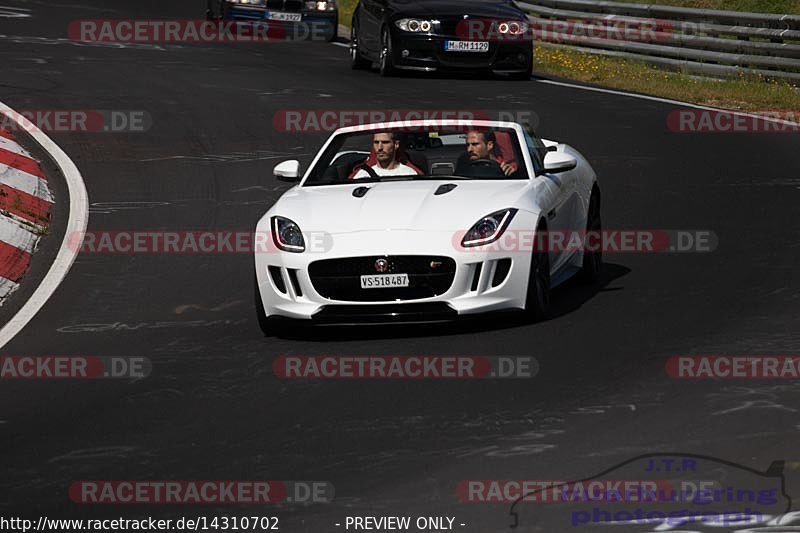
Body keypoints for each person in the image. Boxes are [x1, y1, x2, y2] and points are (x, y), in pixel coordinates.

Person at [350, 132, 421, 179]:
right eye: (376, 142)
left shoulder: (409, 174)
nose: (380, 147)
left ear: (396, 144)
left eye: (385, 142)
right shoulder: (363, 175)